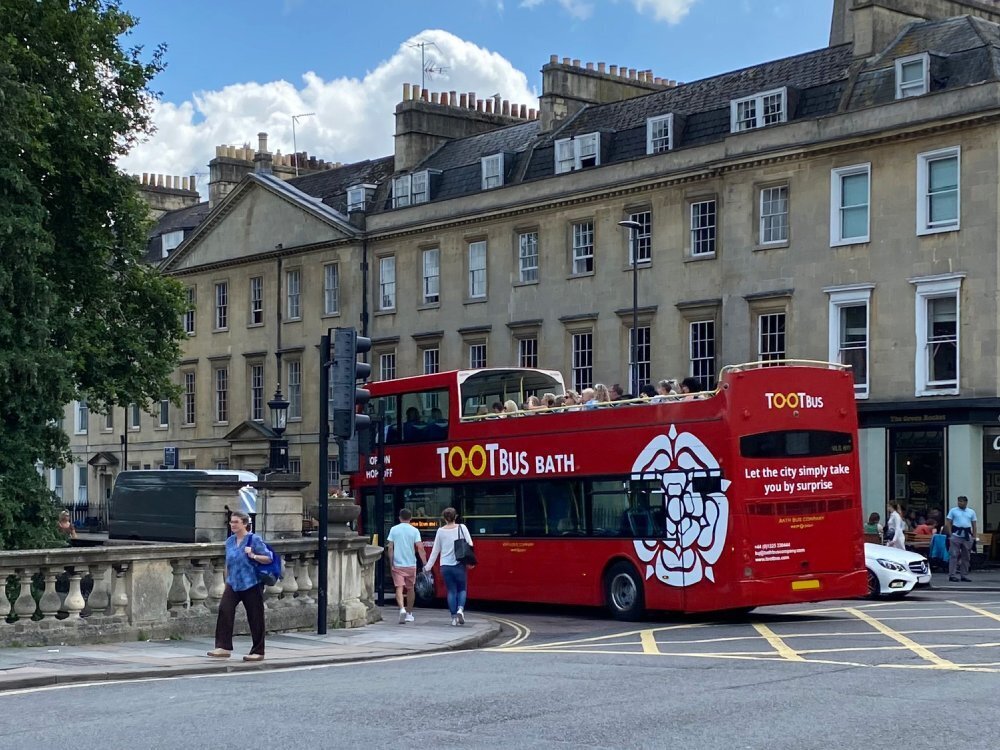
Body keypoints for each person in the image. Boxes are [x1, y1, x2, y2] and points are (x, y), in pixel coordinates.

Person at [208, 509, 272, 661]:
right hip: (233, 583)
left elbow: (269, 558)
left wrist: (253, 555)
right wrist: (226, 580)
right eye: (231, 522)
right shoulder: (230, 541)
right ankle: (223, 647)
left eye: (236, 522)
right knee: (225, 610)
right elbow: (228, 563)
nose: (233, 525)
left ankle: (258, 651)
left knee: (255, 616)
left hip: (252, 583)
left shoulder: (254, 540)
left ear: (245, 524)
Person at [423, 507, 473, 626]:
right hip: (459, 564)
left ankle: (453, 618)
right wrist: (470, 562)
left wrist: (427, 567)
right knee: (462, 589)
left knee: (451, 591)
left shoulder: (440, 531)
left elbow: (435, 551)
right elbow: (470, 544)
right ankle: (460, 609)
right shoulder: (462, 528)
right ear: (455, 517)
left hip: (445, 566)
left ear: (444, 518)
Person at [386, 508, 428, 624]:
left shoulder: (394, 529)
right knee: (410, 588)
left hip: (398, 564)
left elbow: (390, 547)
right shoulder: (414, 531)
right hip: (411, 564)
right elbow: (420, 548)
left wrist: (391, 561)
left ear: (399, 517)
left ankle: (401, 609)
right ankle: (409, 614)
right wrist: (425, 564)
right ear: (410, 518)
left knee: (399, 588)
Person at [945, 495, 978, 582]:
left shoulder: (971, 512)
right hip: (956, 534)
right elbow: (948, 522)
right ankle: (952, 575)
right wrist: (950, 534)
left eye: (962, 501)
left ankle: (964, 575)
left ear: (966, 502)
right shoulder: (953, 511)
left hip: (967, 535)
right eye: (959, 501)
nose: (960, 503)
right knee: (954, 555)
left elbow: (974, 524)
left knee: (966, 556)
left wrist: (974, 536)